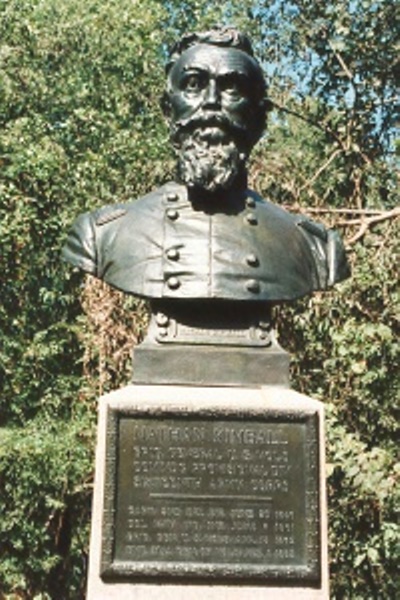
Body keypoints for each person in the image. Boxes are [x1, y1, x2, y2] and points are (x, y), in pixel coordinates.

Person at [62, 27, 349, 302]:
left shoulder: (316, 249)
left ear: (259, 118)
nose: (211, 103)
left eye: (232, 88)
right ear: (167, 110)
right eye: (193, 85)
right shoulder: (101, 235)